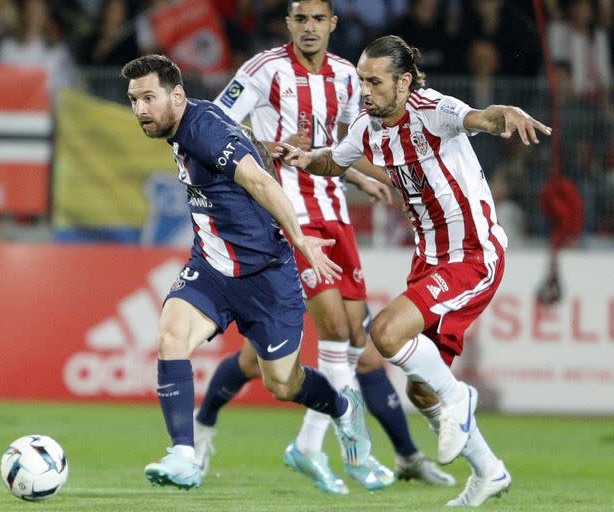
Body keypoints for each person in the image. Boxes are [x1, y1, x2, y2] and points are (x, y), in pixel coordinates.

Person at [276, 34, 552, 506]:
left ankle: (461, 400)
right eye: (361, 80)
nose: (364, 90)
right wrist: (305, 158)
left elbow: (482, 117)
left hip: (473, 254)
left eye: (375, 81)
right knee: (424, 392)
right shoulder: (366, 127)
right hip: (428, 261)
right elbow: (334, 161)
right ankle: (489, 471)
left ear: (404, 81)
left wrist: (507, 112)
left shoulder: (433, 109)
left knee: (384, 333)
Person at [194, 0, 455, 495]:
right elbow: (212, 128)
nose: (310, 28)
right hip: (286, 220)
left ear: (333, 23)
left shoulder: (346, 74)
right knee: (339, 333)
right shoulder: (263, 70)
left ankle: (210, 424)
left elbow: (349, 142)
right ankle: (324, 449)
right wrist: (266, 146)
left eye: (319, 19)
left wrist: (365, 175)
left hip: (336, 216)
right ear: (288, 23)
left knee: (301, 352)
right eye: (301, 19)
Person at [122, 54, 371, 490]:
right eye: (134, 100)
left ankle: (344, 410)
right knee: (170, 338)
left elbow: (260, 183)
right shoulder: (192, 119)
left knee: (283, 383)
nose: (140, 109)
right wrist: (268, 148)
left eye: (148, 98)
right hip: (212, 268)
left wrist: (300, 239)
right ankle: (183, 453)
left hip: (267, 275)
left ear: (176, 96)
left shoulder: (202, 129)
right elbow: (246, 146)